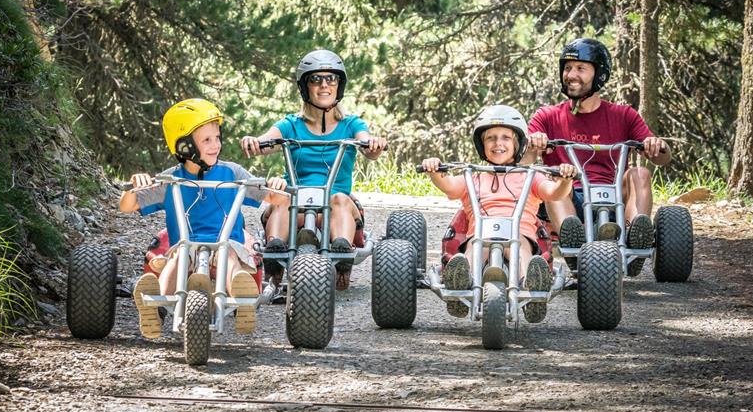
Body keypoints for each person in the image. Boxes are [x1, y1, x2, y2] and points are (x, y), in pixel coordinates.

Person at [119, 98, 286, 339]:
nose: (215, 145)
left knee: (228, 256)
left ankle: (243, 296)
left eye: (217, 138)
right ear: (185, 146)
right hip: (184, 247)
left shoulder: (232, 173)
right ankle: (155, 309)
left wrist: (277, 185)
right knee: (177, 260)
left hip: (227, 245)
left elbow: (276, 199)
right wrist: (134, 186)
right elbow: (127, 206)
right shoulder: (171, 179)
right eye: (206, 140)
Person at [240, 49, 387, 291]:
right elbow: (265, 142)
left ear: (339, 85)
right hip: (297, 204)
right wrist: (253, 142)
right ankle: (274, 255)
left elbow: (367, 146)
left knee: (339, 198)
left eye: (331, 79)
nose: (324, 85)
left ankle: (342, 258)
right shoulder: (291, 125)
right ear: (304, 86)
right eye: (316, 79)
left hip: (336, 204)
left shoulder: (352, 124)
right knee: (284, 199)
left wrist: (374, 144)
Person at [419, 105, 577, 323]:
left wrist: (565, 180)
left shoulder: (530, 175)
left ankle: (532, 290)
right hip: (480, 236)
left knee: (520, 247)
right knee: (475, 248)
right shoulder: (473, 176)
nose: (498, 143)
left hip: (520, 235)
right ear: (481, 145)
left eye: (505, 137)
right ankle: (460, 286)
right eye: (490, 138)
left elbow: (554, 193)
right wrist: (435, 171)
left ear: (518, 143)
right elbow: (450, 187)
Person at [527, 38, 671, 251]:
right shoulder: (547, 116)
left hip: (615, 197)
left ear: (599, 74)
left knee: (639, 173)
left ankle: (634, 236)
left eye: (580, 68)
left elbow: (662, 158)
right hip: (570, 198)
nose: (571, 75)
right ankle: (573, 240)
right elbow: (523, 161)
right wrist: (533, 144)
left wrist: (656, 145)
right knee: (555, 177)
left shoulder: (624, 115)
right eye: (567, 68)